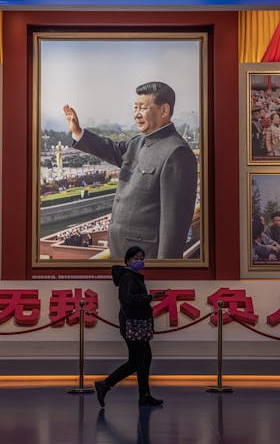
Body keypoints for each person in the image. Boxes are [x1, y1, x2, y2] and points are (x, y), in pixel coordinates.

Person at [64, 81, 198, 259]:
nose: (137, 114)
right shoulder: (137, 142)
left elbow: (174, 225)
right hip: (121, 253)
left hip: (145, 258)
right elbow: (110, 148)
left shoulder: (177, 153)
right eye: (135, 108)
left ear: (164, 110)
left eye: (142, 108)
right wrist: (78, 132)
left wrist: (166, 271)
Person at [94, 246, 166, 407]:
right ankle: (105, 384)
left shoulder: (133, 276)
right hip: (133, 324)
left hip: (138, 323)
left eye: (142, 258)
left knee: (145, 358)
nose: (139, 261)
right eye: (136, 258)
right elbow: (129, 300)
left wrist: (149, 298)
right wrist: (150, 297)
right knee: (136, 360)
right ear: (127, 261)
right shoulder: (128, 278)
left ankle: (144, 395)